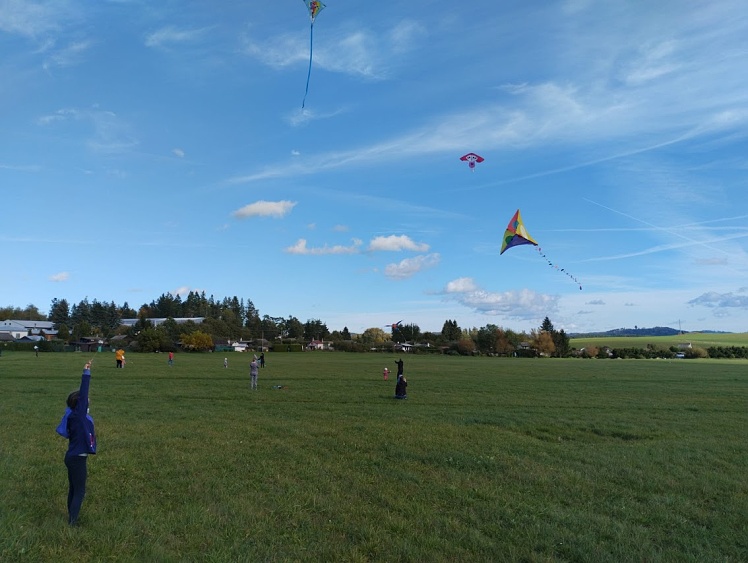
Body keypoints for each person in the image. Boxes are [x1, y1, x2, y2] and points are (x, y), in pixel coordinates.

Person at [62, 360, 97, 525]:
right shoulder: (78, 416)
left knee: (74, 488)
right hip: (77, 459)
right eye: (85, 400)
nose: (88, 400)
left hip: (72, 457)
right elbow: (84, 393)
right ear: (80, 404)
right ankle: (72, 522)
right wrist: (86, 373)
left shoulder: (73, 416)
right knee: (80, 491)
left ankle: (71, 516)